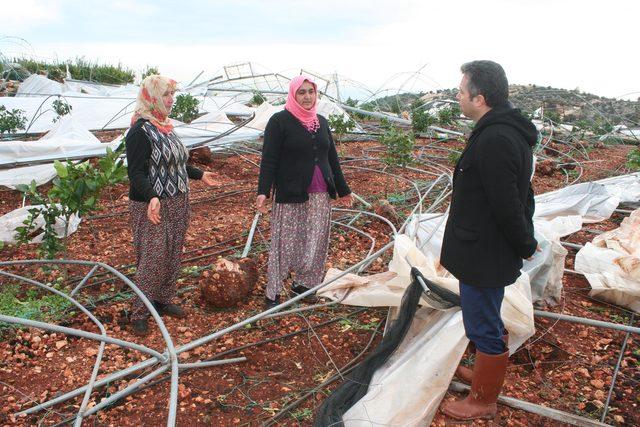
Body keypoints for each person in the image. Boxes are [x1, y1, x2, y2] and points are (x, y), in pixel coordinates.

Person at [439, 61, 539, 421]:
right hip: (484, 245)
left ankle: (483, 399)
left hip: (485, 250)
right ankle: (483, 371)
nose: (458, 96)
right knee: (484, 316)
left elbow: (508, 202)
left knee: (482, 321)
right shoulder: (500, 130)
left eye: (461, 92)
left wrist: (525, 243)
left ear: (479, 98)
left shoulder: (496, 138)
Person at [126, 75, 219, 335]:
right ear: (152, 97)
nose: (171, 100)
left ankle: (163, 299)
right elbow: (135, 173)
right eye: (166, 95)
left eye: (172, 95)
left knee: (172, 253)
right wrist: (152, 196)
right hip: (152, 204)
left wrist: (200, 175)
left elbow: (175, 163)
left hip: (178, 199)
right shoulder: (140, 131)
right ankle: (139, 311)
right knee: (153, 257)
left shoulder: (165, 126)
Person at [256, 75, 353, 309]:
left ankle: (303, 284)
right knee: (284, 242)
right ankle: (273, 293)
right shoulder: (279, 121)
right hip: (291, 190)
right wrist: (263, 191)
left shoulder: (322, 121)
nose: (307, 96)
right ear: (293, 95)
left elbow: (332, 158)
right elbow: (269, 159)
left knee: (315, 240)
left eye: (311, 91)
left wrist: (343, 189)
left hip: (320, 192)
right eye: (302, 92)